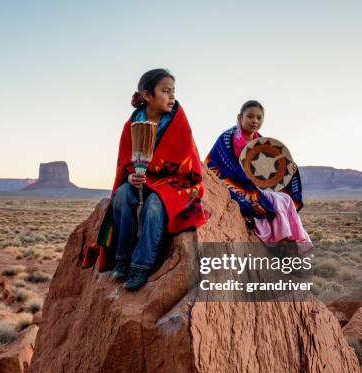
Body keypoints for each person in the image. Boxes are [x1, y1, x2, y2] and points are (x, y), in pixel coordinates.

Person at [83, 69, 208, 291]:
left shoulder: (178, 122)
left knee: (154, 204)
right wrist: (131, 176)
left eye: (173, 92)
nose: (171, 97)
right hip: (141, 180)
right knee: (122, 195)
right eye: (165, 91)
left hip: (173, 182)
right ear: (147, 95)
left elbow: (187, 163)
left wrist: (157, 174)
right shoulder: (132, 123)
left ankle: (141, 265)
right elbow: (124, 163)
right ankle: (123, 258)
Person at [205, 100, 312, 252]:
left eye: (259, 117)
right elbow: (213, 163)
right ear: (239, 117)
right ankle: (277, 243)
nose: (255, 121)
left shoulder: (263, 143)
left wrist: (289, 168)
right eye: (250, 116)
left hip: (256, 185)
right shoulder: (227, 139)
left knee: (286, 198)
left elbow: (272, 169)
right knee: (267, 200)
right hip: (233, 183)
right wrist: (243, 179)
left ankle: (287, 241)